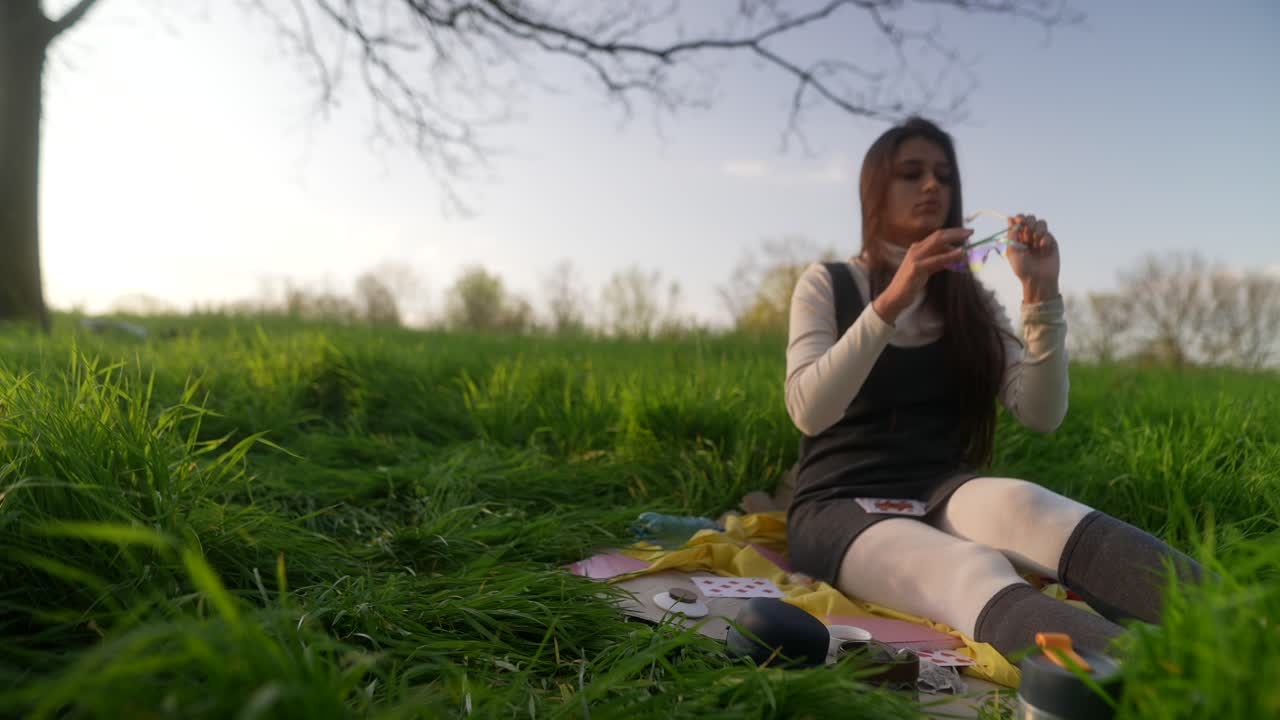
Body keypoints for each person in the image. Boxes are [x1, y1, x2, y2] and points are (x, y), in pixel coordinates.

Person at [783, 116, 1203, 655]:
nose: (933, 185)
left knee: (1033, 507)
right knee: (967, 569)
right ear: (875, 190)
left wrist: (1040, 292)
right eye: (912, 173)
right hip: (839, 502)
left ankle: (1248, 635)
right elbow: (808, 410)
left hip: (940, 488)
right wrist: (891, 302)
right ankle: (1158, 690)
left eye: (944, 175)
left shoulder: (971, 302)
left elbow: (1040, 413)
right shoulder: (829, 285)